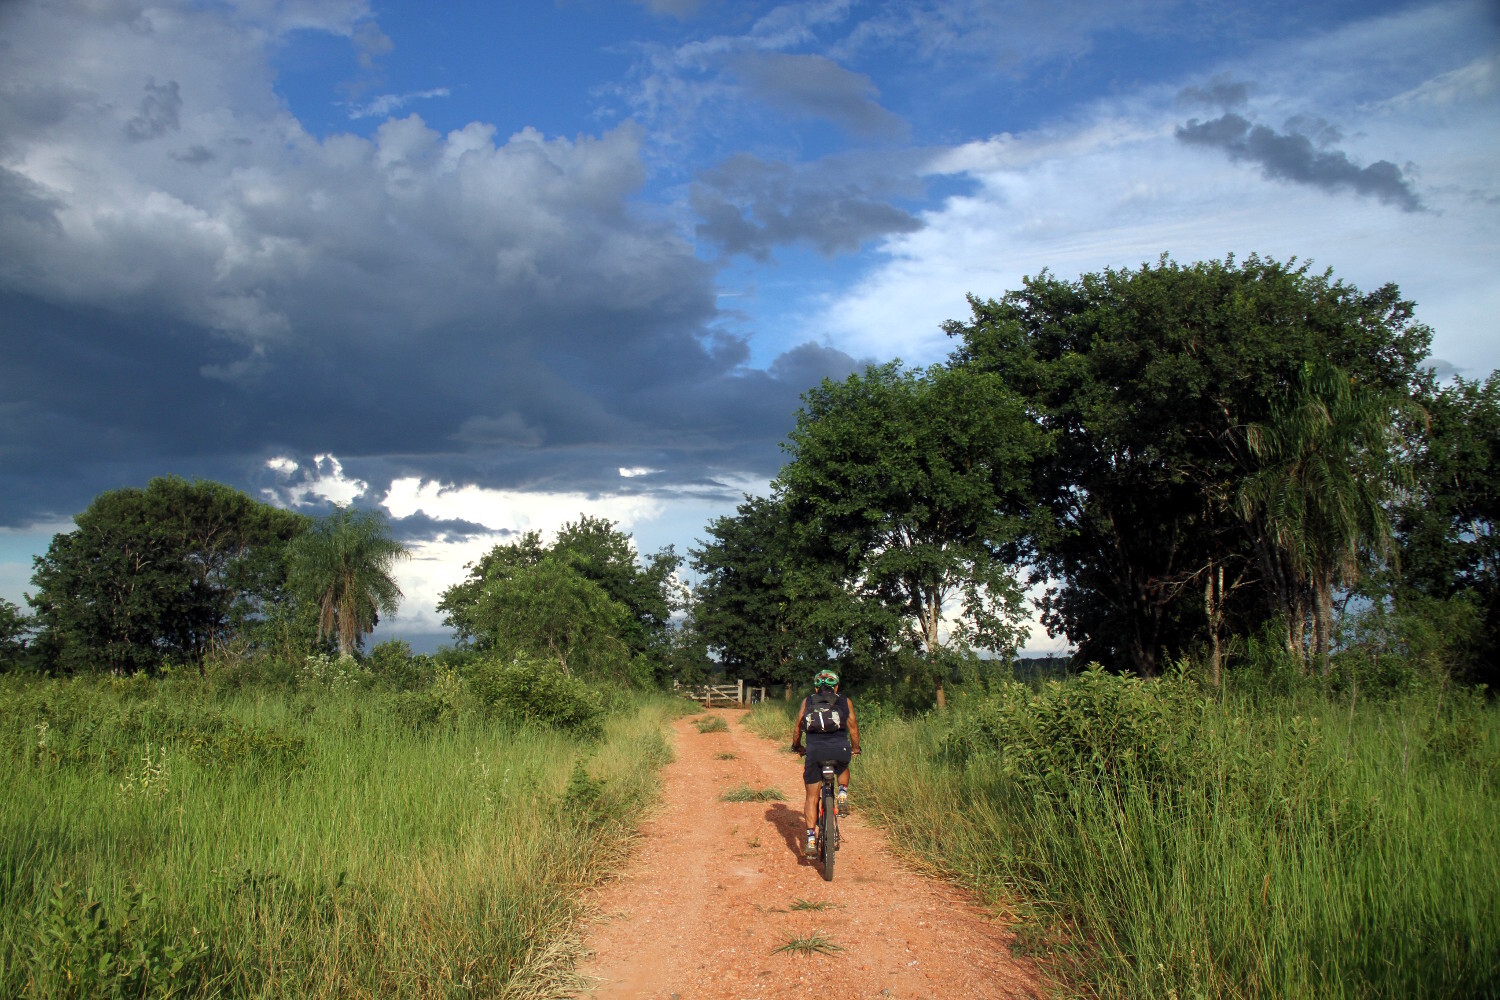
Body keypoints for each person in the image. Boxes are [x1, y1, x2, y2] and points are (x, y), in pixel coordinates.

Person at [790, 668, 860, 858]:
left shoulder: (808, 701)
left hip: (814, 753)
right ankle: (843, 794)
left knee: (811, 798)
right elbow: (853, 728)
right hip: (840, 750)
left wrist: (797, 746)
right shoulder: (845, 701)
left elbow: (798, 728)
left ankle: (811, 840)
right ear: (836, 686)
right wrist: (856, 748)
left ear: (816, 687)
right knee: (843, 765)